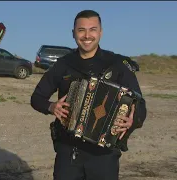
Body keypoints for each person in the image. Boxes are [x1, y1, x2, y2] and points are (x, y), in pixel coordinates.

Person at [30, 10, 147, 180]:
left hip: (104, 155)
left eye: (92, 29)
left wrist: (132, 119)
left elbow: (140, 103)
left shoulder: (117, 64)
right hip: (69, 151)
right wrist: (51, 106)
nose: (87, 35)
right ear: (73, 33)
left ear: (100, 32)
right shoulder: (64, 65)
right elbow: (36, 98)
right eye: (81, 30)